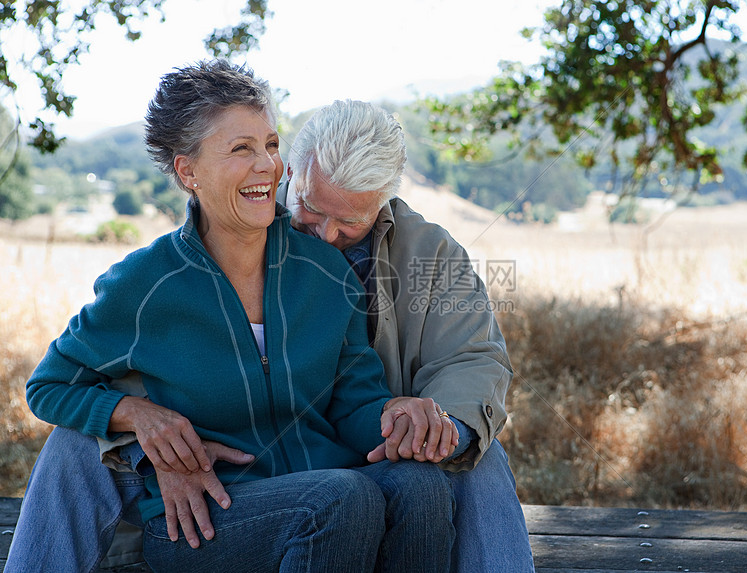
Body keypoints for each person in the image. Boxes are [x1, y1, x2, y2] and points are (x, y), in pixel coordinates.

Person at [7, 60, 455, 572]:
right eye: (241, 149)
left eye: (270, 144)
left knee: (419, 486)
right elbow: (48, 386)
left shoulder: (327, 271)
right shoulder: (145, 284)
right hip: (208, 516)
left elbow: (354, 403)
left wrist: (398, 415)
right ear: (188, 171)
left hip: (328, 486)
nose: (267, 165)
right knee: (341, 497)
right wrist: (138, 415)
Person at [279, 99, 534, 572]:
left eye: (350, 220)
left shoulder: (433, 251)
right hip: (285, 451)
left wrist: (440, 426)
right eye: (311, 208)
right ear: (291, 171)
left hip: (389, 443)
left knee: (482, 460)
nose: (328, 234)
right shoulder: (245, 227)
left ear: (382, 201)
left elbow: (473, 359)